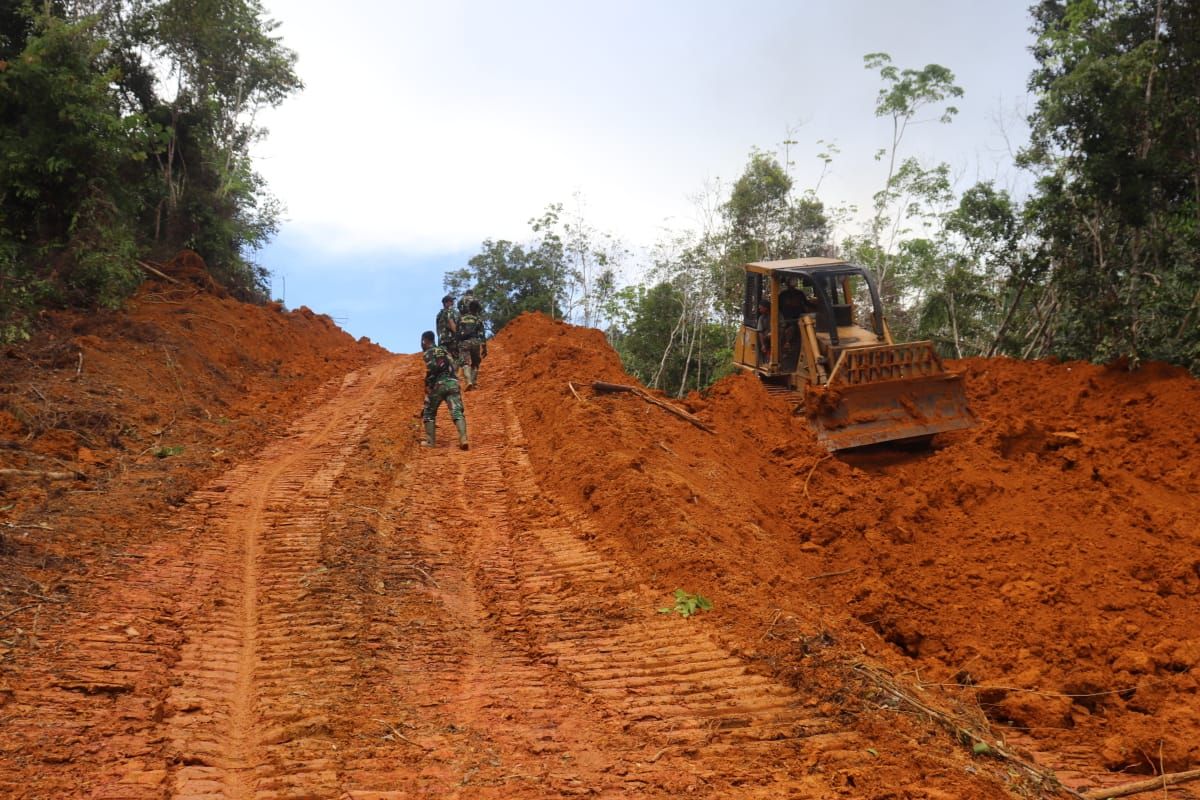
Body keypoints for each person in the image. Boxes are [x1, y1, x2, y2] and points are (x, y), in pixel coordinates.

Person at [420, 330, 469, 450]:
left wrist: (429, 384)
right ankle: (463, 438)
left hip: (439, 384)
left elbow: (433, 369)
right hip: (453, 383)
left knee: (428, 413)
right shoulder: (444, 349)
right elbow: (454, 365)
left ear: (425, 340)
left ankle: (430, 443)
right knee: (457, 411)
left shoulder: (428, 353)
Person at [456, 300, 487, 389]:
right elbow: (482, 335)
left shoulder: (461, 318)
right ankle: (474, 382)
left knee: (465, 363)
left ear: (469, 308)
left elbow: (457, 333)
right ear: (477, 309)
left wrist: (457, 345)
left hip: (464, 343)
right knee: (475, 363)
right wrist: (484, 348)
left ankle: (468, 381)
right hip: (475, 342)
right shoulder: (478, 320)